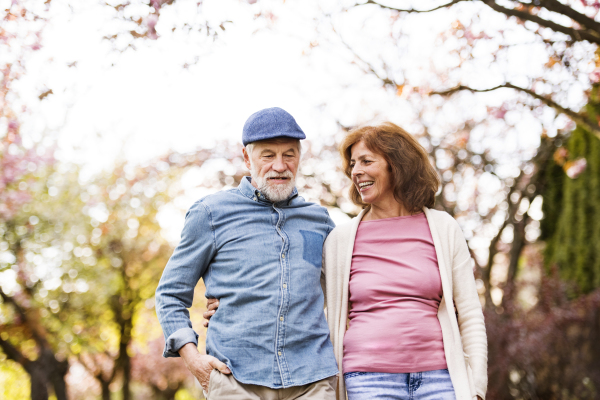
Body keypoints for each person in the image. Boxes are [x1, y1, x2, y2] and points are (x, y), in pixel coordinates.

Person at [155, 107, 338, 400]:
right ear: (246, 158)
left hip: (313, 382)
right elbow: (170, 294)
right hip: (235, 381)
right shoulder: (211, 214)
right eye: (268, 155)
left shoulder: (320, 220)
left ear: (299, 158)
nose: (280, 165)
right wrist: (194, 360)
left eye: (289, 154)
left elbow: (344, 288)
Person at [322, 122, 487, 400]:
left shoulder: (442, 228)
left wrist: (477, 389)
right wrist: (222, 302)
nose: (356, 171)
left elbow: (469, 314)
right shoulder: (340, 239)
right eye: (353, 164)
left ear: (396, 165)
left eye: (366, 161)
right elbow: (303, 301)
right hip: (368, 380)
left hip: (440, 379)